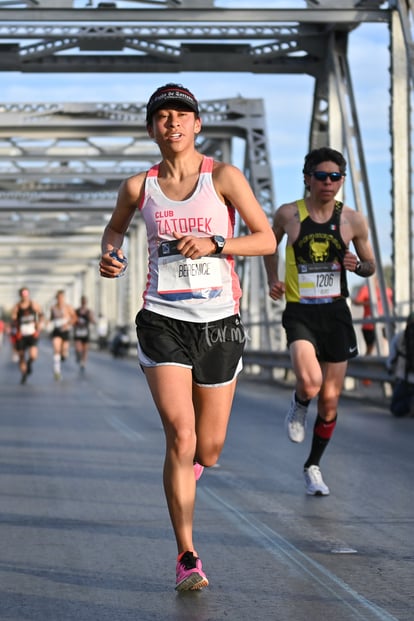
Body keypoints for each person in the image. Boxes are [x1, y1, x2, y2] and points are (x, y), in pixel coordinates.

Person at [99, 83, 275, 591]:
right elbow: (114, 230)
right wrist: (110, 255)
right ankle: (187, 556)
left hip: (219, 321)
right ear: (151, 128)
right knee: (181, 434)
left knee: (210, 448)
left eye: (182, 115)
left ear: (197, 125)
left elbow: (265, 238)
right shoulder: (139, 187)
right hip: (162, 319)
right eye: (162, 116)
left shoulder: (224, 177)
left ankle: (192, 467)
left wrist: (217, 243)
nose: (172, 122)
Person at [264, 147, 375, 496]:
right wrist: (273, 279)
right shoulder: (288, 215)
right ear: (307, 178)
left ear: (341, 181)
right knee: (310, 383)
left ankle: (313, 466)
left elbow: (370, 265)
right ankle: (298, 404)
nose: (329, 183)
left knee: (329, 401)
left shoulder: (352, 220)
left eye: (335, 177)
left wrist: (359, 266)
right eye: (322, 176)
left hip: (336, 313)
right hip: (300, 311)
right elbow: (269, 245)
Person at [11, 287, 43, 384]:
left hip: (32, 333)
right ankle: (24, 374)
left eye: (26, 294)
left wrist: (39, 324)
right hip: (21, 335)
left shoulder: (33, 305)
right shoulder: (17, 306)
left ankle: (29, 364)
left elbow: (41, 315)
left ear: (28, 294)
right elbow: (14, 319)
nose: (25, 296)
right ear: (20, 295)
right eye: (23, 294)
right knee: (21, 356)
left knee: (33, 355)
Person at [352, 278, 393, 355]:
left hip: (384, 321)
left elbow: (392, 302)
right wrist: (368, 303)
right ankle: (367, 364)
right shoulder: (366, 290)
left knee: (387, 342)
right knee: (370, 347)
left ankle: (386, 360)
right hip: (369, 324)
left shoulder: (387, 291)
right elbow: (355, 301)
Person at [386, 312, 414, 417]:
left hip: (404, 380)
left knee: (395, 409)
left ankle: (409, 404)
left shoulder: (400, 337)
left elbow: (391, 359)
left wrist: (390, 369)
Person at [49, 289, 77, 380]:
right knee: (56, 349)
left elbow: (74, 318)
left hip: (65, 331)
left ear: (64, 298)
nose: (60, 299)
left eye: (62, 297)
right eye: (58, 298)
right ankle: (57, 371)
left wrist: (68, 324)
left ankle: (63, 355)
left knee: (64, 352)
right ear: (56, 298)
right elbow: (51, 318)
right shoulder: (53, 308)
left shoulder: (68, 307)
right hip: (57, 330)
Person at [73, 295, 95, 373]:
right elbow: (73, 320)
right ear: (81, 302)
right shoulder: (76, 311)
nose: (83, 303)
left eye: (85, 301)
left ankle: (83, 363)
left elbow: (93, 321)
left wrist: (91, 318)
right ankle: (78, 355)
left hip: (85, 332)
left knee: (85, 349)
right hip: (78, 332)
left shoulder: (89, 311)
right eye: (82, 301)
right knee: (78, 347)